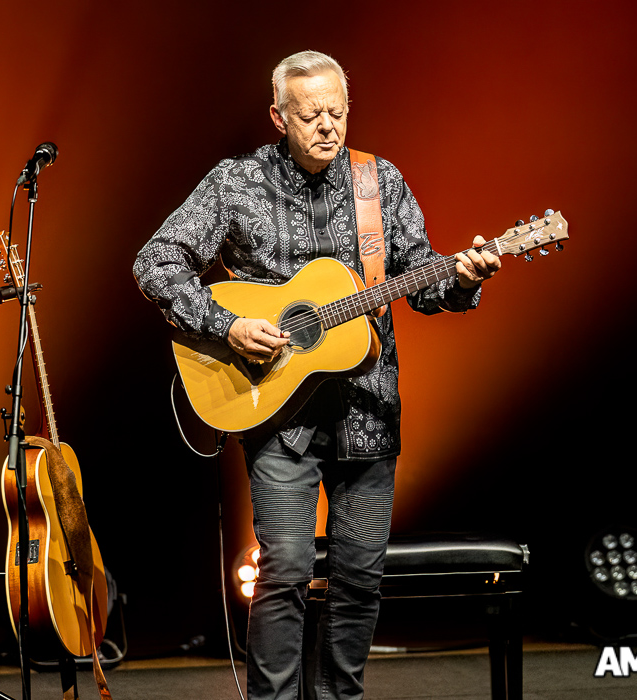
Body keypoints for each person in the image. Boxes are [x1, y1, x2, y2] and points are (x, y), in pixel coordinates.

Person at [133, 50, 501, 700]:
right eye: (311, 115)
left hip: (369, 413)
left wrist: (461, 279)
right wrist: (226, 325)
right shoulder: (234, 182)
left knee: (360, 577)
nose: (328, 125)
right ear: (279, 115)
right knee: (285, 572)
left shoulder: (378, 183)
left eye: (338, 111)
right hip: (276, 415)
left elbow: (419, 276)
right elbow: (156, 261)